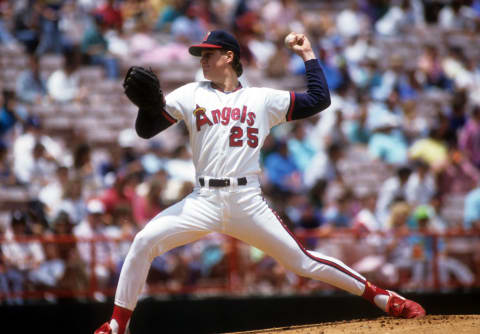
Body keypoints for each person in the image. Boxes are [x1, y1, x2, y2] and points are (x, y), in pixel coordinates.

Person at [94, 30, 425, 334]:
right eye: (201, 55)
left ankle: (385, 298)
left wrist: (308, 54)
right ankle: (117, 326)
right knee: (142, 242)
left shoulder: (263, 99)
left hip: (246, 199)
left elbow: (319, 99)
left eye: (209, 53)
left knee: (302, 261)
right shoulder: (191, 93)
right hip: (202, 199)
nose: (202, 59)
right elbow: (146, 130)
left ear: (229, 57)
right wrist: (147, 106)